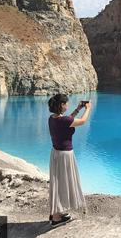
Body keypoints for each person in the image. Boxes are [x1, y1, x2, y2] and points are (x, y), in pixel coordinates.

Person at [47, 93, 92, 226]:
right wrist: (88, 109)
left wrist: (78, 109)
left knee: (58, 183)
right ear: (61, 105)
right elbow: (82, 122)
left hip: (55, 154)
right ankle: (56, 218)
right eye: (66, 103)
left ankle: (56, 213)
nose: (67, 105)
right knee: (64, 183)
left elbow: (68, 120)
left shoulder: (52, 118)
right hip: (64, 156)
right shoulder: (64, 121)